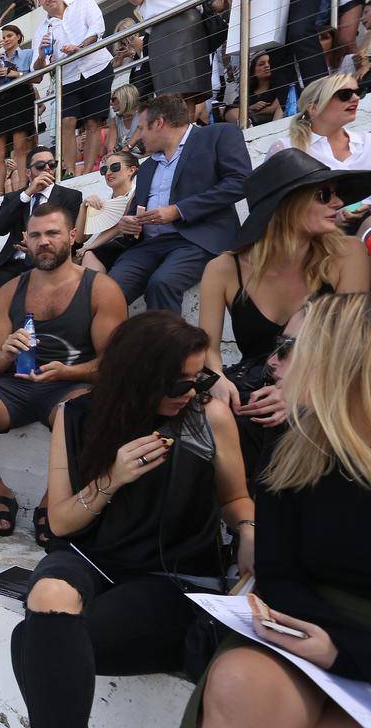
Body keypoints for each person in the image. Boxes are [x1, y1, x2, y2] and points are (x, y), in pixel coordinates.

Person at [10, 311, 254, 728]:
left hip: (171, 572)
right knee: (49, 595)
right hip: (89, 556)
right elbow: (62, 523)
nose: (192, 391)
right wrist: (111, 479)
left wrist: (248, 531)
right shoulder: (77, 416)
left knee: (32, 639)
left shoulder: (206, 415)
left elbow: (235, 497)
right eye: (180, 382)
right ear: (138, 377)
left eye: (200, 379)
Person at [190, 293, 371, 728]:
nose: (273, 362)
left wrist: (345, 651)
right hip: (306, 616)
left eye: (289, 349)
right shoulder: (294, 443)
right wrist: (327, 644)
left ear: (338, 358)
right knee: (241, 682)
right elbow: (278, 570)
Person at [0, 204, 127, 537]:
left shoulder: (101, 289)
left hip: (70, 384)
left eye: (53, 233)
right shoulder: (10, 290)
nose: (44, 242)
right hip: (15, 384)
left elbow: (116, 365)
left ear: (72, 236)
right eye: (37, 235)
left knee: (81, 413)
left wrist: (67, 373)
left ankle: (50, 502)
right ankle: (0, 492)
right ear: (26, 240)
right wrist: (6, 351)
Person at [198, 149, 370, 474]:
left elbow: (352, 346)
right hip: (256, 389)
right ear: (285, 205)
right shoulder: (223, 268)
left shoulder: (348, 254)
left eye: (337, 195)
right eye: (323, 195)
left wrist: (299, 392)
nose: (337, 203)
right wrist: (217, 380)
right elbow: (207, 352)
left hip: (330, 383)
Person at [107, 94, 252, 313]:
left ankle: (170, 347)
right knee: (107, 290)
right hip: (149, 246)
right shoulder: (146, 167)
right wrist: (129, 225)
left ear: (159, 123)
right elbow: (139, 207)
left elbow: (240, 182)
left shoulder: (218, 134)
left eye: (143, 128)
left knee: (162, 283)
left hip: (197, 239)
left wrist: (179, 210)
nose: (139, 136)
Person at [266, 75, 371, 235]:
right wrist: (330, 219)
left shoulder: (367, 142)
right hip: (317, 245)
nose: (355, 98)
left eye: (359, 92)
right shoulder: (286, 149)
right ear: (313, 108)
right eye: (345, 94)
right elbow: (273, 210)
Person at [32, 0, 114, 177]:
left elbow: (98, 28)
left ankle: (87, 172)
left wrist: (80, 48)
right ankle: (69, 172)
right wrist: (42, 54)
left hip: (97, 67)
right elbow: (36, 72)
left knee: (93, 122)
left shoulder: (83, 1)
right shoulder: (41, 30)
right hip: (68, 78)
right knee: (67, 122)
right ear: (40, 2)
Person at [0, 147, 83, 297]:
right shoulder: (15, 197)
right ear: (28, 172)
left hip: (48, 262)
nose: (47, 169)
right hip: (13, 265)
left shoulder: (71, 196)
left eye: (52, 164)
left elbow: (75, 240)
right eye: (40, 166)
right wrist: (27, 194)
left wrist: (35, 245)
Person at [126, 0, 221, 116]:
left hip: (192, 39)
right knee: (170, 98)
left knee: (190, 94)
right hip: (164, 42)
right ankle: (176, 135)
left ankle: (187, 133)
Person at [0, 24, 35, 197]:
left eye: (10, 35)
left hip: (20, 97)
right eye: (4, 37)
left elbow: (37, 76)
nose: (6, 39)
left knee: (20, 147)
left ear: (18, 37)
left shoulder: (27, 54)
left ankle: (22, 187)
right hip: (0, 101)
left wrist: (14, 73)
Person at [77, 151, 139, 273]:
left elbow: (120, 226)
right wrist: (83, 207)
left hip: (131, 246)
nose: (109, 173)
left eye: (115, 167)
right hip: (110, 250)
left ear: (131, 170)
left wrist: (91, 246)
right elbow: (80, 238)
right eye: (104, 170)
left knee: (89, 255)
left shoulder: (137, 193)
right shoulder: (104, 203)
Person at [224, 52, 284, 127]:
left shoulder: (279, 88)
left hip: (269, 123)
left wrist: (249, 111)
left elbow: (272, 109)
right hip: (248, 122)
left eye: (270, 63)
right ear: (254, 72)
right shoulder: (246, 94)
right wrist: (251, 108)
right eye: (261, 64)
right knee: (229, 110)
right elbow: (232, 111)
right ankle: (247, 124)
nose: (267, 66)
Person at [107, 84, 143, 155]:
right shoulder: (115, 120)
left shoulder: (142, 115)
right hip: (124, 156)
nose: (111, 103)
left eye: (113, 99)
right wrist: (111, 153)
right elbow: (110, 148)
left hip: (143, 155)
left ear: (124, 100)